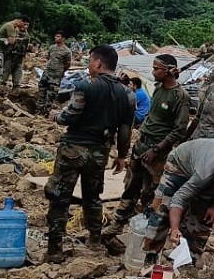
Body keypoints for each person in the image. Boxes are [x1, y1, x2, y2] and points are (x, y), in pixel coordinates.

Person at [45, 45, 135, 263]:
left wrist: (54, 116)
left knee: (60, 197)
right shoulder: (128, 94)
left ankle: (55, 250)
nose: (89, 66)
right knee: (93, 198)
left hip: (73, 149)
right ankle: (94, 241)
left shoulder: (85, 85)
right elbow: (125, 130)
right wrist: (122, 156)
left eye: (89, 62)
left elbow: (70, 116)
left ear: (97, 63)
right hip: (99, 153)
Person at [103, 54, 192, 238]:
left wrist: (157, 149)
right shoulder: (159, 88)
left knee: (151, 194)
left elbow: (179, 130)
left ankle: (145, 232)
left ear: (168, 71)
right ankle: (118, 223)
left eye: (156, 68)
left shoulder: (180, 96)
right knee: (130, 187)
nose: (153, 72)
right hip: (141, 146)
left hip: (156, 154)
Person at [143, 138, 214, 262]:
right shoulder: (206, 173)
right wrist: (174, 228)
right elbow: (179, 198)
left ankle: (188, 261)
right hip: (180, 164)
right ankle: (149, 256)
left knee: (204, 218)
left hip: (207, 169)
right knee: (162, 210)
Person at [36, 31, 74, 115]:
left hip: (56, 76)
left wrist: (59, 71)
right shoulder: (52, 47)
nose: (55, 37)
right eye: (55, 36)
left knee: (51, 95)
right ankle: (38, 112)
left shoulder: (67, 51)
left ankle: (45, 114)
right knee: (41, 92)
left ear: (63, 39)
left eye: (58, 36)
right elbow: (48, 57)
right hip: (47, 73)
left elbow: (67, 64)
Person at [0, 15, 30, 91]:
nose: (25, 26)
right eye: (24, 24)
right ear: (20, 21)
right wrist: (15, 36)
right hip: (0, 51)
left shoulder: (26, 35)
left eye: (27, 25)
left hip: (13, 55)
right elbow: (12, 41)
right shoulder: (10, 26)